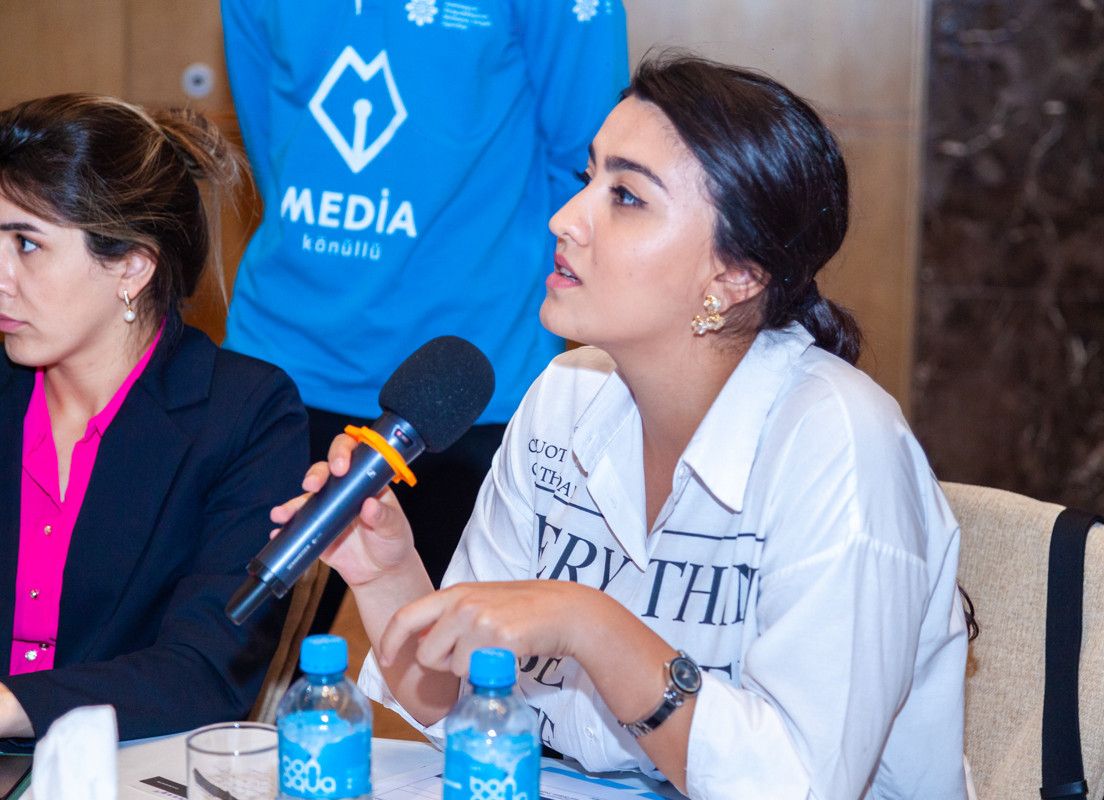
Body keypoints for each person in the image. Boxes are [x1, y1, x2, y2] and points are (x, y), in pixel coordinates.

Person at [277, 55, 971, 798]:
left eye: (627, 197)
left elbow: (799, 785)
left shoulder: (841, 444)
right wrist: (387, 576)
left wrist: (591, 626)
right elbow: (465, 707)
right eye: (587, 179)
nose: (565, 219)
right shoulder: (566, 396)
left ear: (735, 275)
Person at [220, 0, 629, 592]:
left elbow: (587, 165)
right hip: (281, 358)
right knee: (244, 633)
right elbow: (272, 144)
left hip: (465, 385)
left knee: (453, 646)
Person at [0, 94, 309, 741]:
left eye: (26, 244)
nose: (1, 275)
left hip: (124, 766)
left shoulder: (246, 414)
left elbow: (205, 673)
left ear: (132, 266)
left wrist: (10, 708)